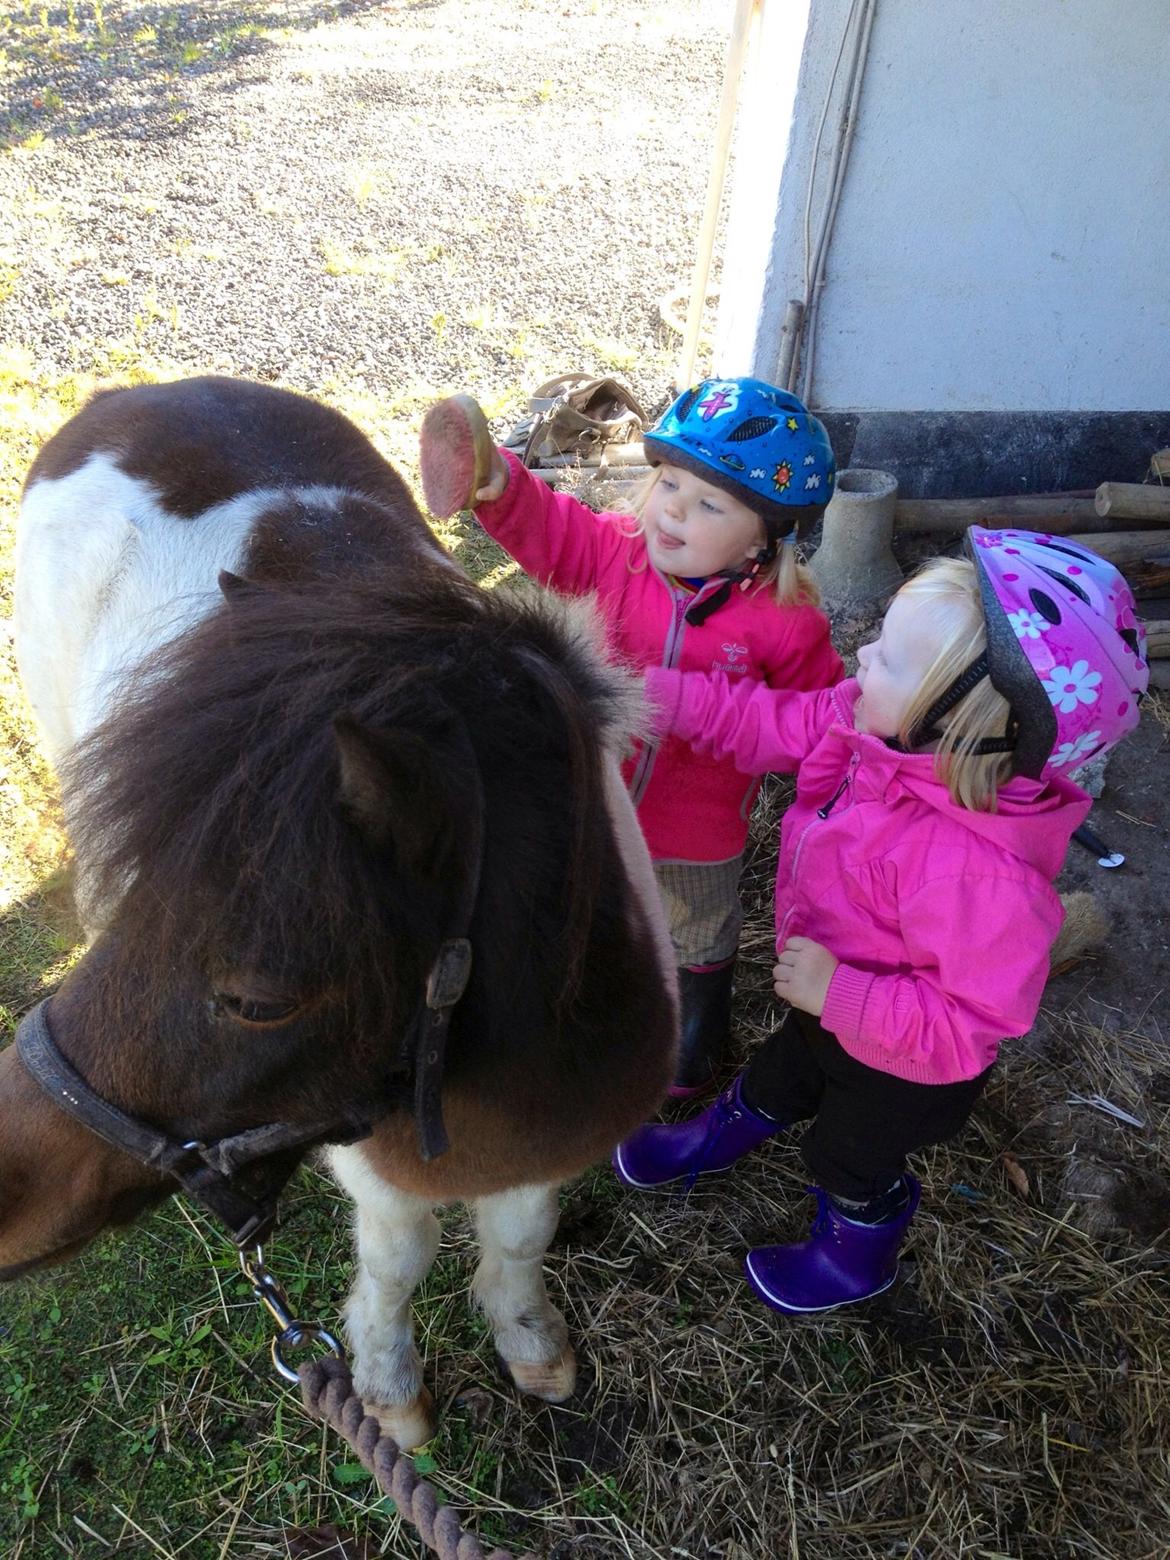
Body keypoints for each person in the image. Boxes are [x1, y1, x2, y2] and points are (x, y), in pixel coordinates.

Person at [612, 527, 1149, 1314]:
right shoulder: (869, 729)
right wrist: (641, 693)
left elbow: (968, 1027)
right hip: (825, 999)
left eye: (889, 658)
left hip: (905, 1070)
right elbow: (763, 721)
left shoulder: (980, 877)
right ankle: (717, 1135)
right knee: (785, 1069)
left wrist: (841, 993)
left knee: (848, 1155)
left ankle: (856, 1255)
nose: (860, 655)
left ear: (962, 722)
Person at [449, 377, 843, 1095]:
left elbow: (814, 724)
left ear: (765, 536)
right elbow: (553, 527)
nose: (674, 511)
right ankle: (583, 998)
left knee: (694, 925)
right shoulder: (613, 553)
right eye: (668, 483)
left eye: (710, 504)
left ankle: (694, 1020)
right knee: (587, 897)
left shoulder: (787, 623)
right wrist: (499, 485)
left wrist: (740, 723)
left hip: (696, 828)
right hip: (590, 797)